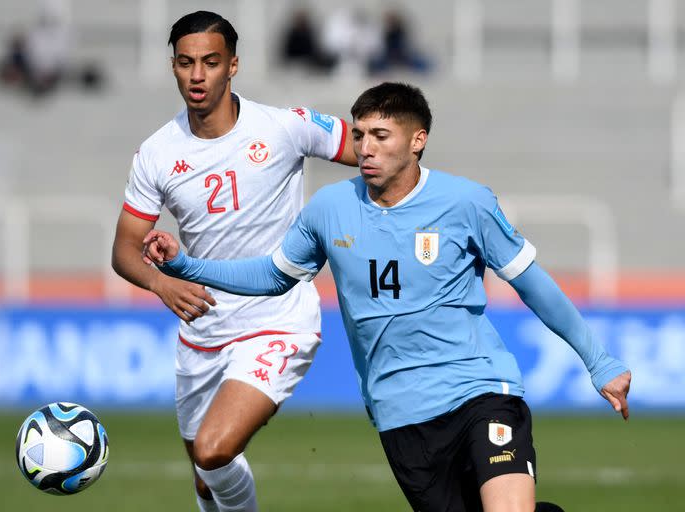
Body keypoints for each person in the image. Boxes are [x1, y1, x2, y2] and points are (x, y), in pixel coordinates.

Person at [142, 82, 631, 512]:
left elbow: (533, 283)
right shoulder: (331, 208)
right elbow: (273, 275)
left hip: (480, 390)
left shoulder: (466, 202)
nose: (365, 148)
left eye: (381, 136)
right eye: (359, 135)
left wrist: (599, 361)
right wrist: (184, 265)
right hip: (400, 412)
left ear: (417, 141)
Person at [110, 11, 356, 512]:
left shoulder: (286, 127)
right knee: (207, 479)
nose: (197, 75)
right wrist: (161, 285)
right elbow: (123, 251)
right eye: (185, 63)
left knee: (213, 451)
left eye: (210, 62)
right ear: (173, 67)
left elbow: (372, 152)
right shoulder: (157, 153)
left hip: (278, 321)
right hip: (202, 331)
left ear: (233, 65)